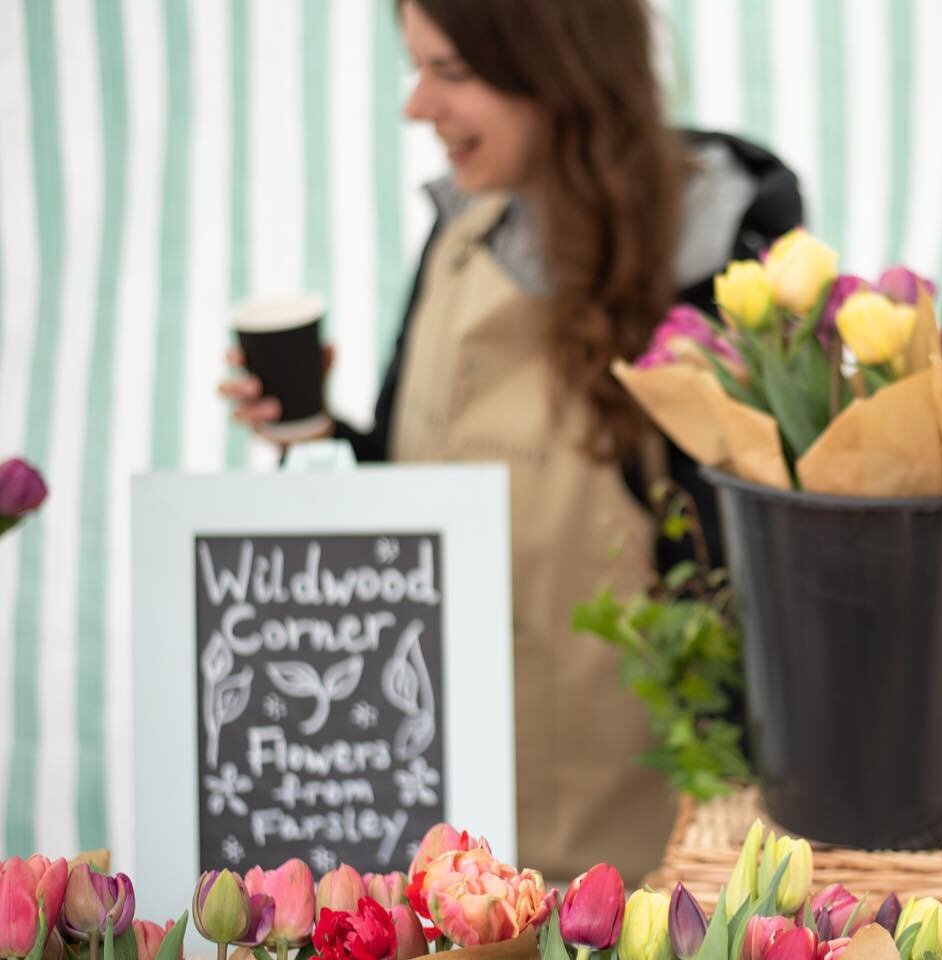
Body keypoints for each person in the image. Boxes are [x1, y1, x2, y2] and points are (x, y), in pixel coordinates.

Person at [220, 0, 803, 882]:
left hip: (629, 857)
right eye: (416, 69)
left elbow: (771, 558)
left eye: (450, 73)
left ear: (558, 67)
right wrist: (319, 429)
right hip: (440, 833)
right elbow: (419, 493)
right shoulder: (460, 234)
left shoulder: (714, 253)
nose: (418, 106)